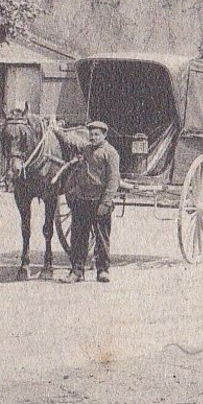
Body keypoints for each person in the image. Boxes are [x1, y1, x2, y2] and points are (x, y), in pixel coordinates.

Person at [54, 120, 120, 283]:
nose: (93, 137)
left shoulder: (110, 153)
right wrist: (56, 130)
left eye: (97, 134)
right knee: (78, 237)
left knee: (102, 237)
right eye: (91, 134)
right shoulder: (86, 149)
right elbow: (70, 141)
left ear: (104, 135)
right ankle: (77, 272)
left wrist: (106, 203)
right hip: (82, 200)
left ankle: (103, 270)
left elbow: (114, 179)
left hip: (100, 202)